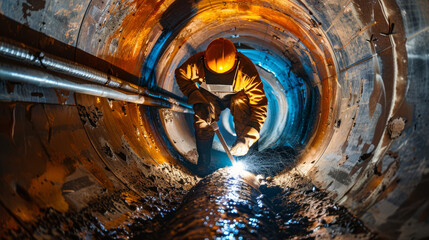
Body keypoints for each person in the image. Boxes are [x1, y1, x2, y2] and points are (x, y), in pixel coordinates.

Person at [175, 37, 268, 175]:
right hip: (209, 96)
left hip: (236, 97)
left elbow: (258, 106)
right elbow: (181, 74)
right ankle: (204, 162)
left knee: (241, 105)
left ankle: (249, 161)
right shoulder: (197, 62)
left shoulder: (247, 71)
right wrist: (196, 98)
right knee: (203, 121)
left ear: (236, 63)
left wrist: (247, 139)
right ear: (205, 61)